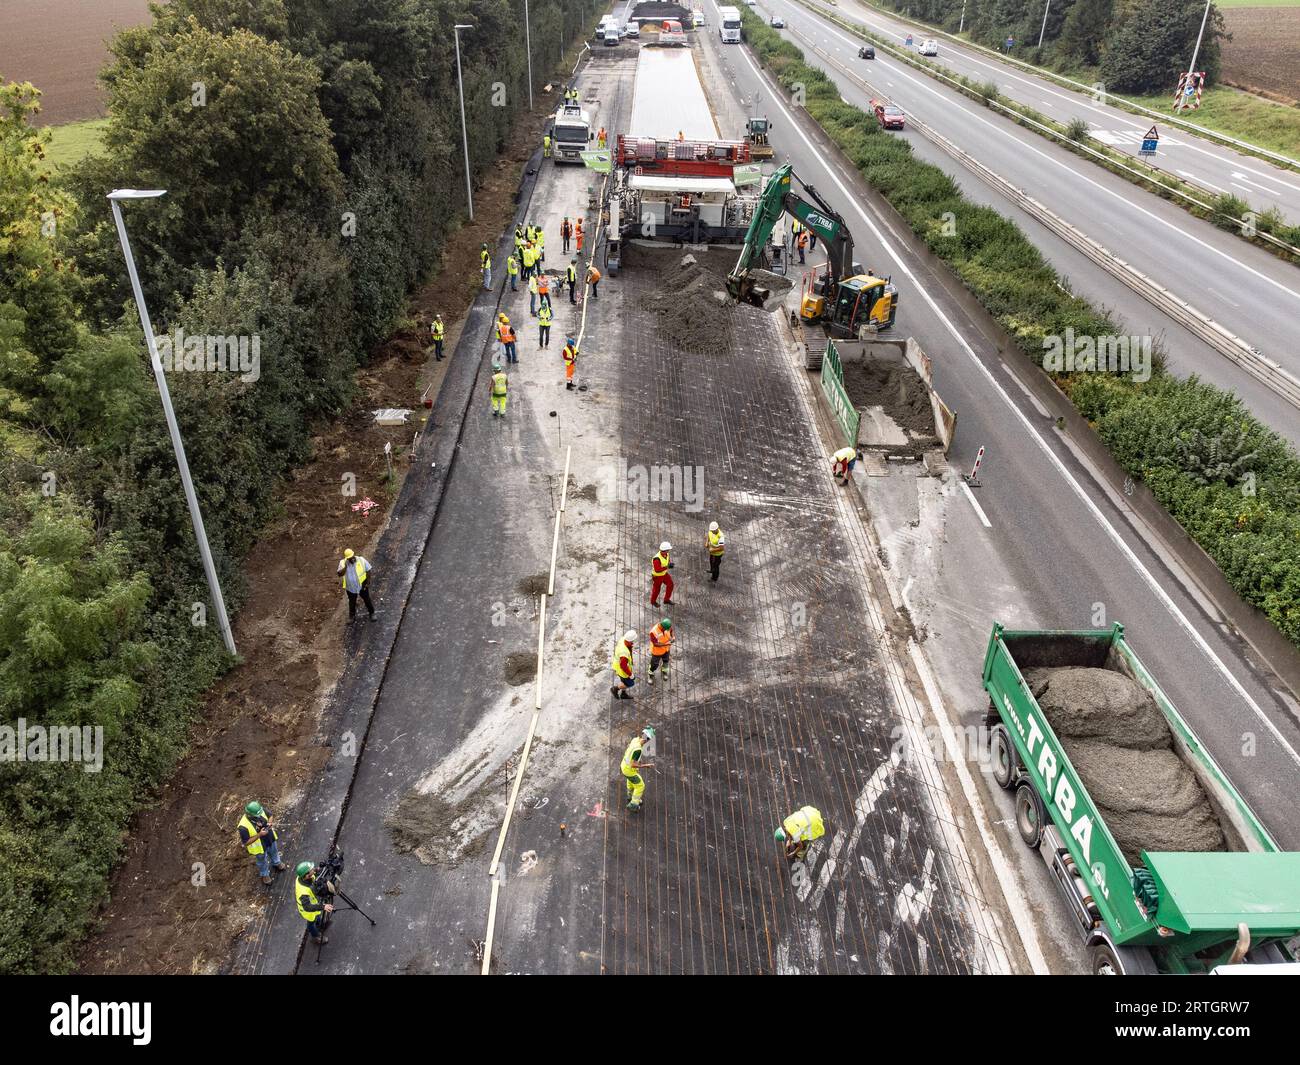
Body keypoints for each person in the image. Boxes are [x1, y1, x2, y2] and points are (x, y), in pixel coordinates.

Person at [237, 801, 287, 885]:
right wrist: (259, 834)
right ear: (250, 814)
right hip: (259, 847)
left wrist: (269, 823)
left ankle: (276, 863)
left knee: (274, 852)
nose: (260, 815)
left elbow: (270, 815)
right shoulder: (243, 826)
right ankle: (265, 874)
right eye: (257, 815)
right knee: (262, 861)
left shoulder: (259, 810)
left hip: (270, 838)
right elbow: (246, 842)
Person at [295, 861, 334, 945]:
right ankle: (315, 936)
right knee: (311, 923)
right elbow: (307, 907)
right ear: (307, 875)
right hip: (308, 911)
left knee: (317, 916)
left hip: (315, 905)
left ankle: (320, 924)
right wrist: (323, 906)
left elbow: (314, 872)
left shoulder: (301, 877)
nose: (314, 870)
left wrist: (318, 869)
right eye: (311, 870)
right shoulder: (303, 891)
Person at [621, 726, 655, 810]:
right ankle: (633, 805)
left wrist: (637, 762)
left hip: (624, 765)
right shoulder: (638, 749)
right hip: (629, 769)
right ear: (647, 739)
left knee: (631, 781)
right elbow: (633, 764)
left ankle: (630, 796)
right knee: (640, 785)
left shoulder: (635, 740)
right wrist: (645, 765)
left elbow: (631, 755)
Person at [338, 548, 375, 622]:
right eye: (349, 558)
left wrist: (368, 582)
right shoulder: (342, 563)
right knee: (352, 602)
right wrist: (345, 567)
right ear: (346, 558)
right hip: (351, 587)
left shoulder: (361, 560)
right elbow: (340, 574)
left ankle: (372, 613)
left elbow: (368, 570)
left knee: (367, 599)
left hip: (362, 585)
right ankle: (352, 616)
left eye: (352, 557)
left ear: (354, 555)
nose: (351, 559)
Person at [611, 629, 637, 700]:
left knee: (624, 681)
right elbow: (623, 666)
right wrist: (631, 675)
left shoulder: (623, 639)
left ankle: (623, 694)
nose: (633, 642)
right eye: (632, 641)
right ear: (629, 641)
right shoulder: (624, 653)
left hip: (617, 665)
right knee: (630, 683)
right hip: (622, 670)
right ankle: (615, 689)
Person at [647, 617, 673, 685]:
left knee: (666, 661)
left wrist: (673, 637)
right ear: (662, 626)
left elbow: (671, 631)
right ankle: (650, 675)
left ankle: (664, 671)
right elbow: (655, 644)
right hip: (657, 651)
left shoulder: (667, 627)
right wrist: (665, 644)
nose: (668, 630)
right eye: (666, 629)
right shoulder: (653, 632)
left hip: (666, 649)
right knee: (654, 664)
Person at [649, 541, 674, 606]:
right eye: (668, 550)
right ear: (665, 550)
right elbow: (657, 570)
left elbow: (667, 560)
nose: (669, 551)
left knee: (670, 584)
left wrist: (669, 563)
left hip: (664, 574)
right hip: (657, 576)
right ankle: (653, 601)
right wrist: (667, 567)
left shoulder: (667, 554)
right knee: (657, 590)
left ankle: (666, 600)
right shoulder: (656, 559)